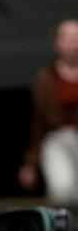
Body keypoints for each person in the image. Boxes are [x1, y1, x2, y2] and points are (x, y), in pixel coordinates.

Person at [18, 18, 78, 203]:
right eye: (66, 37)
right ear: (57, 42)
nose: (71, 43)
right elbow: (38, 123)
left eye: (76, 38)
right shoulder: (46, 79)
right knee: (60, 189)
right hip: (57, 139)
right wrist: (30, 163)